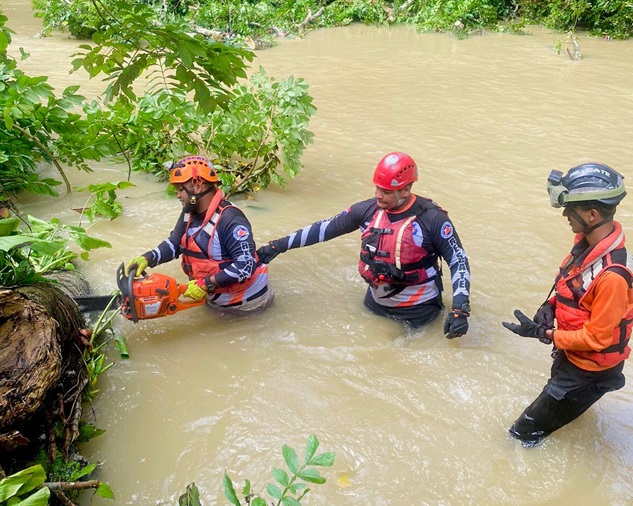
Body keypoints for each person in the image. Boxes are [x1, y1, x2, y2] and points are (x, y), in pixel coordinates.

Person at [257, 152, 471, 335]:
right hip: (374, 303)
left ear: (405, 190)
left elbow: (458, 260)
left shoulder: (432, 220)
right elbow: (324, 229)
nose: (378, 195)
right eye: (377, 188)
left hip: (419, 311)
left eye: (386, 191)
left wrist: (460, 309)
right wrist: (278, 246)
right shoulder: (367, 210)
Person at [503, 162, 633, 447]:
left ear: (592, 214)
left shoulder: (613, 276)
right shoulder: (587, 247)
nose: (564, 215)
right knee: (561, 420)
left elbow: (597, 338)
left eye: (569, 209)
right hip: (572, 359)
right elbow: (573, 289)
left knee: (519, 435)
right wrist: (550, 306)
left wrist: (544, 334)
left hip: (587, 372)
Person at [125, 155, 273, 313]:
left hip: (248, 306)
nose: (178, 195)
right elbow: (175, 243)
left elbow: (245, 266)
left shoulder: (231, 219)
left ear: (197, 185)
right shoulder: (189, 213)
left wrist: (205, 283)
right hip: (214, 298)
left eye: (181, 189)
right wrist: (148, 258)